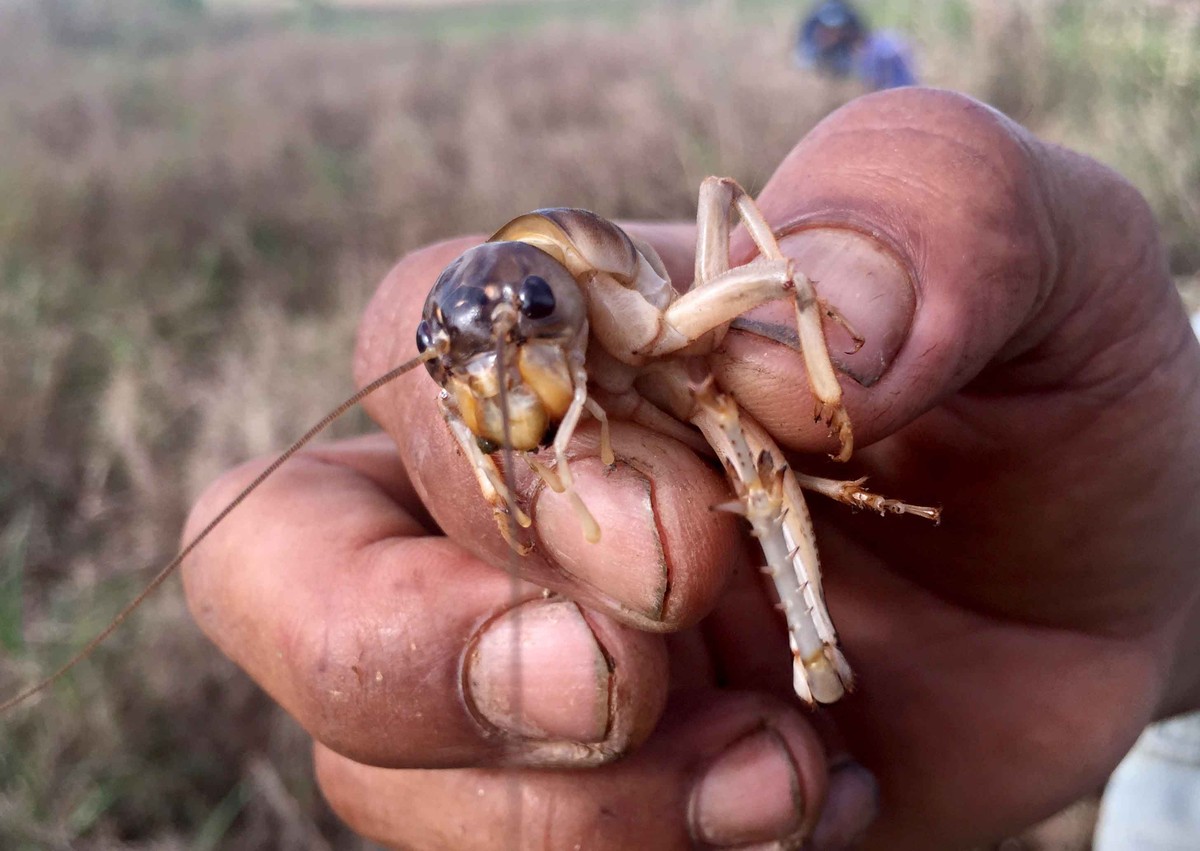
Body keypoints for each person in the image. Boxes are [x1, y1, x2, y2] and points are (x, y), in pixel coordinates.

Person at [183, 88, 1200, 849]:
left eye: (526, 338)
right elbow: (474, 405)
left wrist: (819, 335)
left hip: (679, 349)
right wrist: (496, 490)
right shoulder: (492, 348)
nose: (504, 376)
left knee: (731, 421)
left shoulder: (627, 314)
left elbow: (763, 271)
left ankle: (814, 640)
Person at [795, 0, 917, 90]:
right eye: (828, 30)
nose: (835, 34)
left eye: (839, 29)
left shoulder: (872, 50)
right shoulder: (811, 50)